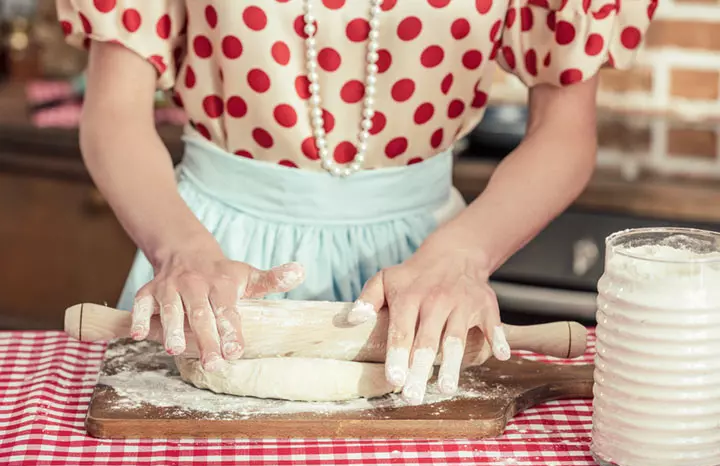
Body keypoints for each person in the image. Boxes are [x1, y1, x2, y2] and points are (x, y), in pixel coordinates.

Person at [56, 0, 655, 405]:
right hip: (206, 253)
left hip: (429, 266)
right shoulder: (188, 251)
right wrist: (179, 250)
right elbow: (115, 111)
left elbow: (564, 130)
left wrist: (463, 256)